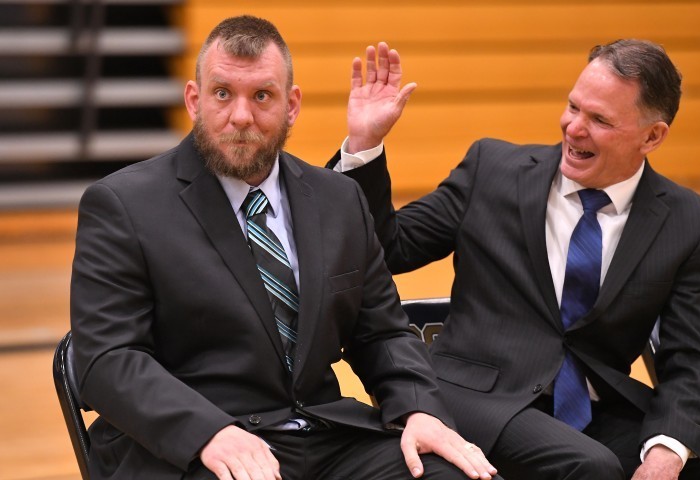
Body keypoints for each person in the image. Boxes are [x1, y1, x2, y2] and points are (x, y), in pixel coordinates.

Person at [69, 15, 500, 480]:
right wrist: (208, 431)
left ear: (291, 106)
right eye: (222, 93)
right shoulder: (123, 204)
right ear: (194, 100)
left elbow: (383, 333)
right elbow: (108, 360)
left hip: (324, 435)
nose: (241, 116)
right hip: (198, 445)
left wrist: (420, 409)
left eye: (261, 96)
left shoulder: (338, 198)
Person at [330, 39, 700, 479]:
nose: (574, 128)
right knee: (592, 467)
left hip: (595, 407)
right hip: (477, 393)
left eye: (599, 120)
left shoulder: (691, 222)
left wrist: (666, 451)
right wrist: (365, 144)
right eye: (574, 107)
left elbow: (691, 358)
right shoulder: (492, 169)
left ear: (653, 136)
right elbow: (388, 248)